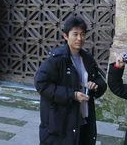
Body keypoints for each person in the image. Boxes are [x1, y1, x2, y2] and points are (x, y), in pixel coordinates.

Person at [34, 16, 107, 145]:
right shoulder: (57, 58)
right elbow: (41, 84)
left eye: (83, 34)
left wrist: (95, 86)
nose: (80, 38)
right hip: (61, 121)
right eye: (75, 34)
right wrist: (72, 95)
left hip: (84, 117)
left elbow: (100, 82)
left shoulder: (87, 58)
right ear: (65, 36)